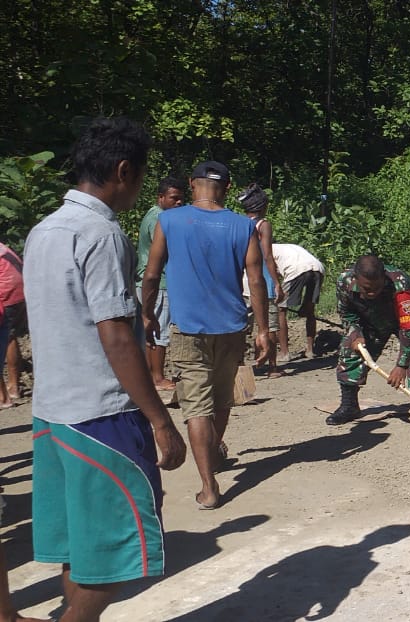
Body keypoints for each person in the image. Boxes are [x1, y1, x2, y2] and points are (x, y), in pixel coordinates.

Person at [24, 117, 187, 621]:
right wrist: (160, 420)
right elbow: (115, 336)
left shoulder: (43, 230)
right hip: (100, 413)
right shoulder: (101, 232)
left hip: (52, 412)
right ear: (122, 171)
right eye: (139, 177)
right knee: (117, 550)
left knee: (81, 544)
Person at [143, 160, 271, 511]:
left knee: (196, 406)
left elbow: (152, 274)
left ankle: (209, 486)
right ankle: (213, 455)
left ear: (191, 182)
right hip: (232, 328)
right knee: (222, 400)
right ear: (228, 188)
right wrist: (263, 330)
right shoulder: (242, 226)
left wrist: (146, 314)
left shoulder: (168, 220)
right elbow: (256, 280)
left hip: (188, 329)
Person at [327, 255, 410, 433]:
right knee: (350, 351)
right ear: (356, 279)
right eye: (366, 288)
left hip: (406, 318)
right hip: (371, 317)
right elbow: (346, 312)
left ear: (384, 278)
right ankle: (349, 406)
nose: (372, 292)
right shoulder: (345, 282)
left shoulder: (402, 288)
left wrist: (401, 365)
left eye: (377, 287)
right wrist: (355, 332)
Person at [135, 177, 185, 391]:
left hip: (148, 281)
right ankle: (157, 377)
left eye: (182, 198)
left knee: (151, 330)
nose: (179, 202)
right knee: (158, 331)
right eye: (174, 198)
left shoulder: (155, 215)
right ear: (161, 197)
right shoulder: (160, 218)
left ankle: (150, 376)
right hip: (157, 283)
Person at [239, 183, 286, 378]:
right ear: (262, 206)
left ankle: (242, 364)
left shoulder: (240, 223)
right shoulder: (263, 224)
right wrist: (276, 282)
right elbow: (267, 255)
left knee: (243, 326)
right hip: (262, 282)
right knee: (269, 324)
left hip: (243, 282)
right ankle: (272, 367)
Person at [272, 243, 325, 360]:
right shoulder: (287, 247)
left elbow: (273, 274)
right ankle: (310, 351)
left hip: (295, 270)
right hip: (318, 268)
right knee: (310, 310)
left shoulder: (267, 249)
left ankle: (284, 353)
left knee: (280, 309)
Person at [0, 243, 23, 408]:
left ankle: (4, 396)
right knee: (8, 337)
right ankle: (13, 387)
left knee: (5, 337)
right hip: (18, 291)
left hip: (5, 293)